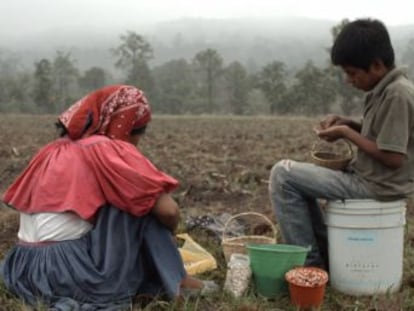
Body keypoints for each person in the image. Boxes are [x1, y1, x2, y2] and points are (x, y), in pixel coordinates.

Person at [0, 85, 216, 310]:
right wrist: (169, 233)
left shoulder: (54, 149)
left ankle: (166, 275)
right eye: (138, 132)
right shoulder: (104, 148)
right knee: (142, 199)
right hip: (70, 275)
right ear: (124, 126)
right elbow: (169, 211)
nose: (137, 143)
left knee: (133, 197)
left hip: (27, 271)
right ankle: (178, 281)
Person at [269, 18, 414, 269]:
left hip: (376, 186)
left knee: (283, 176)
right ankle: (325, 255)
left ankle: (310, 265)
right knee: (295, 181)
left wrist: (346, 132)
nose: (349, 80)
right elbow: (382, 134)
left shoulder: (397, 94)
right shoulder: (387, 88)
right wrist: (349, 122)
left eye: (352, 73)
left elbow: (393, 157)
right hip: (371, 179)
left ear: (377, 65)